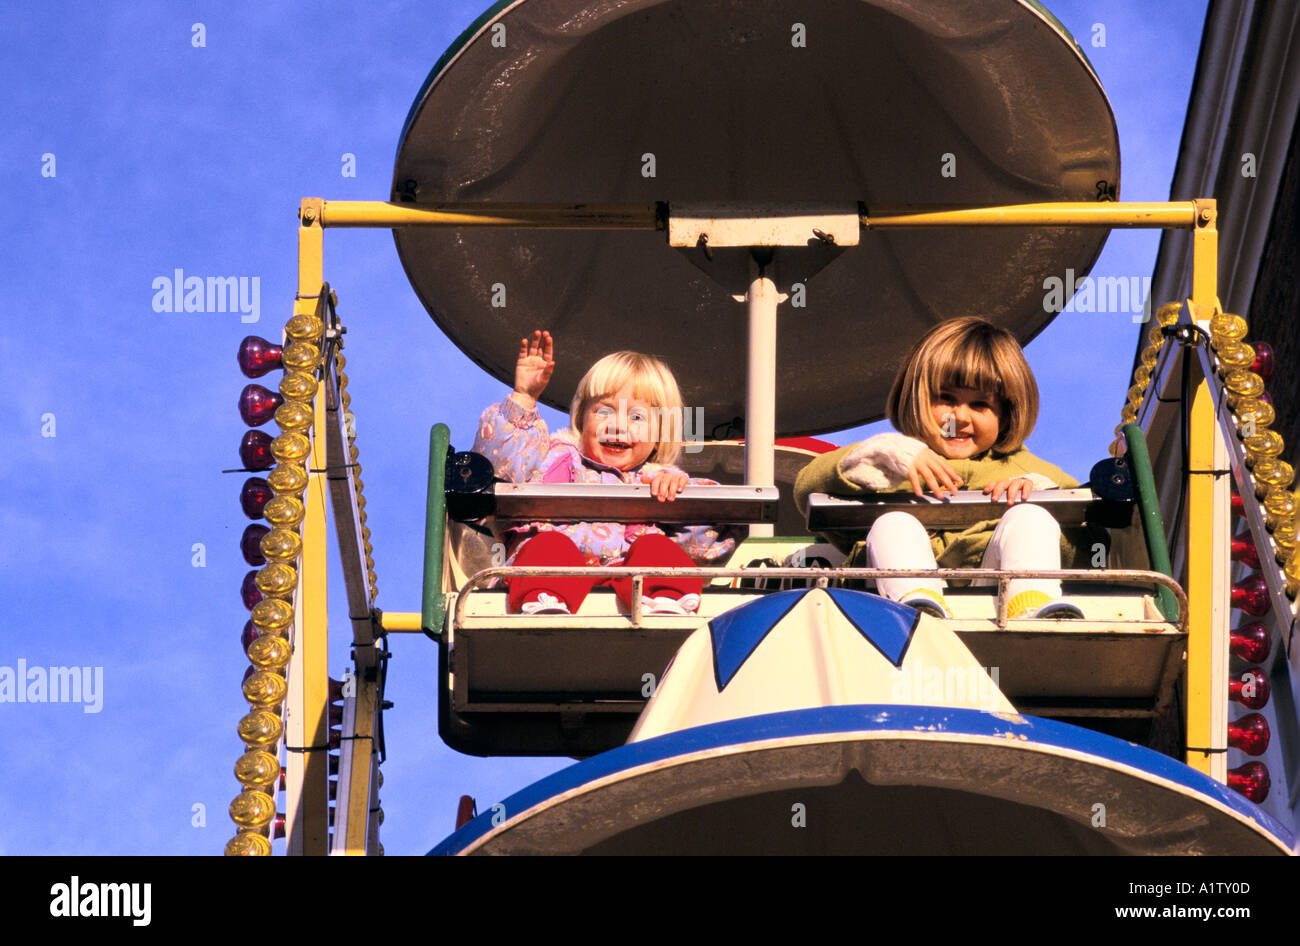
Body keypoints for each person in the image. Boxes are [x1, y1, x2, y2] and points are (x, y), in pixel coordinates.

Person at [794, 316, 1101, 619]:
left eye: (979, 405)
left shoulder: (1020, 467)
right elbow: (807, 488)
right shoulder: (893, 465)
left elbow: (1092, 543)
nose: (960, 417)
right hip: (890, 598)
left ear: (1005, 416)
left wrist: (1039, 492)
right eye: (946, 399)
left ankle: (1032, 606)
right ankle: (918, 606)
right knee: (894, 523)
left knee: (1030, 517)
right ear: (917, 400)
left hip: (995, 592)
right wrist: (884, 454)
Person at [474, 330, 738, 615]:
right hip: (553, 578)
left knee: (656, 547)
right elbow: (502, 470)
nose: (617, 426)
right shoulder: (553, 460)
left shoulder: (655, 481)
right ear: (581, 420)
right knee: (547, 545)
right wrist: (525, 397)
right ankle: (543, 601)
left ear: (659, 435)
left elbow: (705, 547)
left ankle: (666, 599)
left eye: (636, 417)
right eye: (604, 412)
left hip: (629, 576)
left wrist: (679, 494)